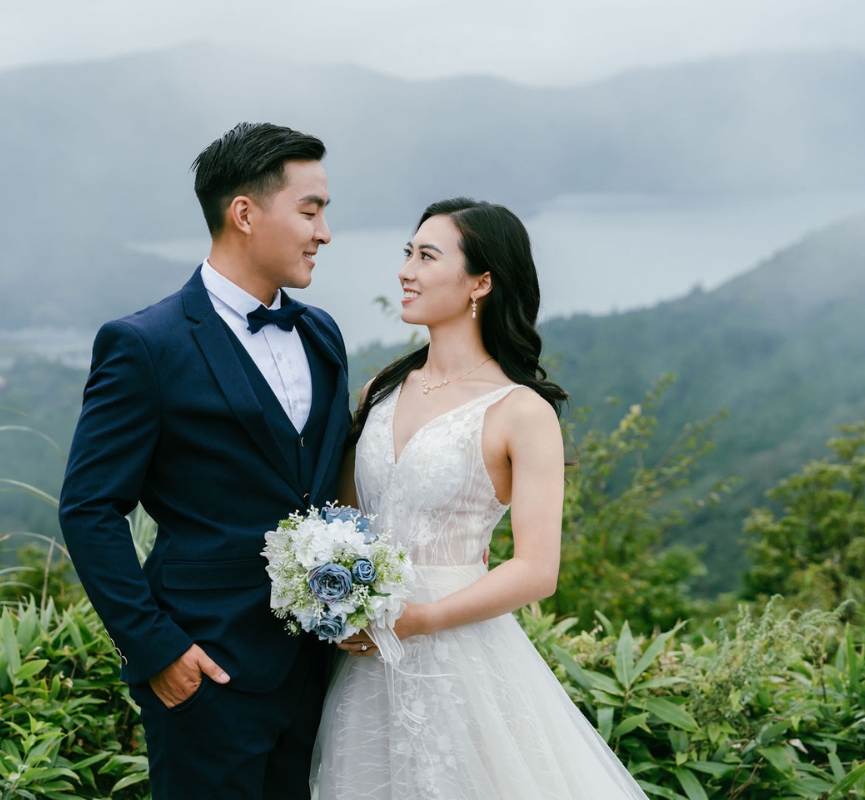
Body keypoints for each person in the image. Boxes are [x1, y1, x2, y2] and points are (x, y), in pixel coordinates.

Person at [313, 198, 649, 798]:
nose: (405, 271)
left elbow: (536, 570)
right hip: (366, 657)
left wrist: (420, 620)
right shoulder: (380, 391)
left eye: (426, 256)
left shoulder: (522, 411)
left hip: (457, 651)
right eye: (407, 254)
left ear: (482, 282)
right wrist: (326, 590)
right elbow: (344, 521)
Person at [58, 122, 351, 800]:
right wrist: (158, 650)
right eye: (311, 210)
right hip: (207, 671)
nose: (325, 232)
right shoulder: (145, 345)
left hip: (320, 670)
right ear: (244, 213)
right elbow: (90, 508)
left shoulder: (322, 332)